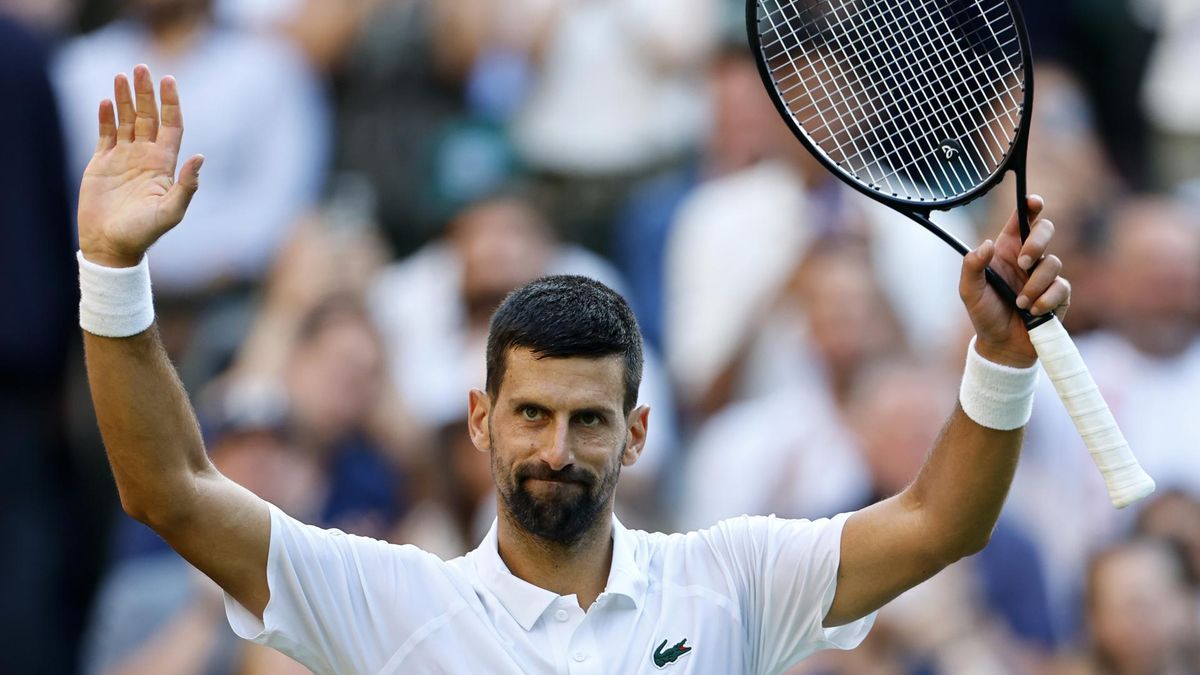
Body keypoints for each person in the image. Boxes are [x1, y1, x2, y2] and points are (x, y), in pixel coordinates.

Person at [75, 65, 1069, 673]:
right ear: (480, 420)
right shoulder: (392, 601)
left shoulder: (727, 582)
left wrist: (999, 355)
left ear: (638, 432)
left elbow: (944, 523)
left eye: (591, 421)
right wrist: (114, 270)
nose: (559, 447)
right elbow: (168, 489)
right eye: (534, 414)